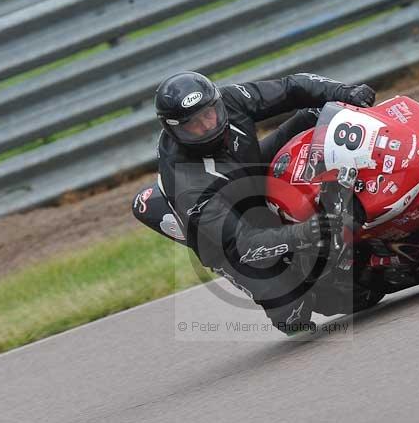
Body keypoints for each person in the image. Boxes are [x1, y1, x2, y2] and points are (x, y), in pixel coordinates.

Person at [133, 71, 375, 334]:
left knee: (317, 113)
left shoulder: (229, 100)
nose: (207, 126)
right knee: (293, 314)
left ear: (216, 103)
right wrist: (304, 232)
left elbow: (291, 87)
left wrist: (345, 92)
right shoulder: (186, 184)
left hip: (248, 170)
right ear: (174, 129)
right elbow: (243, 242)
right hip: (228, 234)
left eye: (208, 114)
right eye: (193, 124)